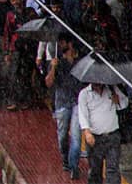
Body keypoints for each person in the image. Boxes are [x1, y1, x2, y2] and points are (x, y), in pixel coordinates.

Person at [45, 34, 83, 180]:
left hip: (76, 103)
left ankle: (74, 166)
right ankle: (65, 158)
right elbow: (48, 83)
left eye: (62, 42)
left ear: (70, 44)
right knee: (62, 137)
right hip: (61, 102)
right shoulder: (57, 62)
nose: (60, 45)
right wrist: (53, 68)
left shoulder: (80, 63)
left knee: (76, 136)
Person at [78, 81, 128, 184]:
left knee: (113, 169)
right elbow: (82, 114)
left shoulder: (112, 88)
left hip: (112, 136)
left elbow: (124, 103)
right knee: (95, 171)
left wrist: (118, 101)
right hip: (95, 138)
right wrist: (87, 132)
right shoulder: (84, 94)